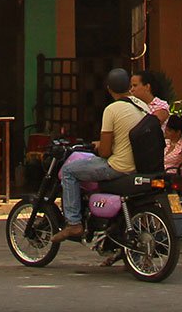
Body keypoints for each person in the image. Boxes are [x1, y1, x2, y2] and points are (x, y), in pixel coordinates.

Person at [50, 68, 147, 243]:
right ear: (129, 87)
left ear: (109, 89)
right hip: (139, 165)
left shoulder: (112, 109)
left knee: (69, 171)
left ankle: (73, 223)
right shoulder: (142, 106)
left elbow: (104, 152)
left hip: (118, 167)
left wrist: (98, 146)